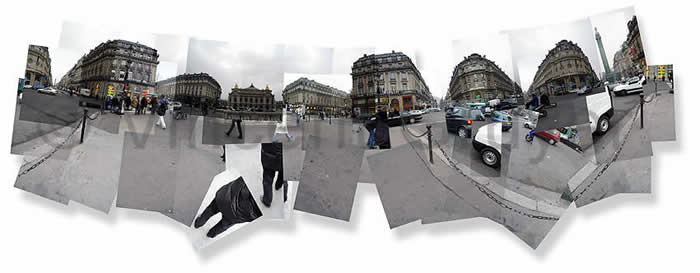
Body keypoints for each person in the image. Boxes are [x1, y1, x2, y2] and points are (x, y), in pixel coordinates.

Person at [193, 177, 262, 238]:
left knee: (211, 209)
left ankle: (198, 223)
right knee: (224, 225)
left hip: (227, 197)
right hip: (240, 215)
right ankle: (211, 234)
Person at [260, 142, 287, 207]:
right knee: (284, 173)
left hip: (268, 153)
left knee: (267, 178)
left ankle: (267, 200)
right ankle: (279, 186)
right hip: (284, 153)